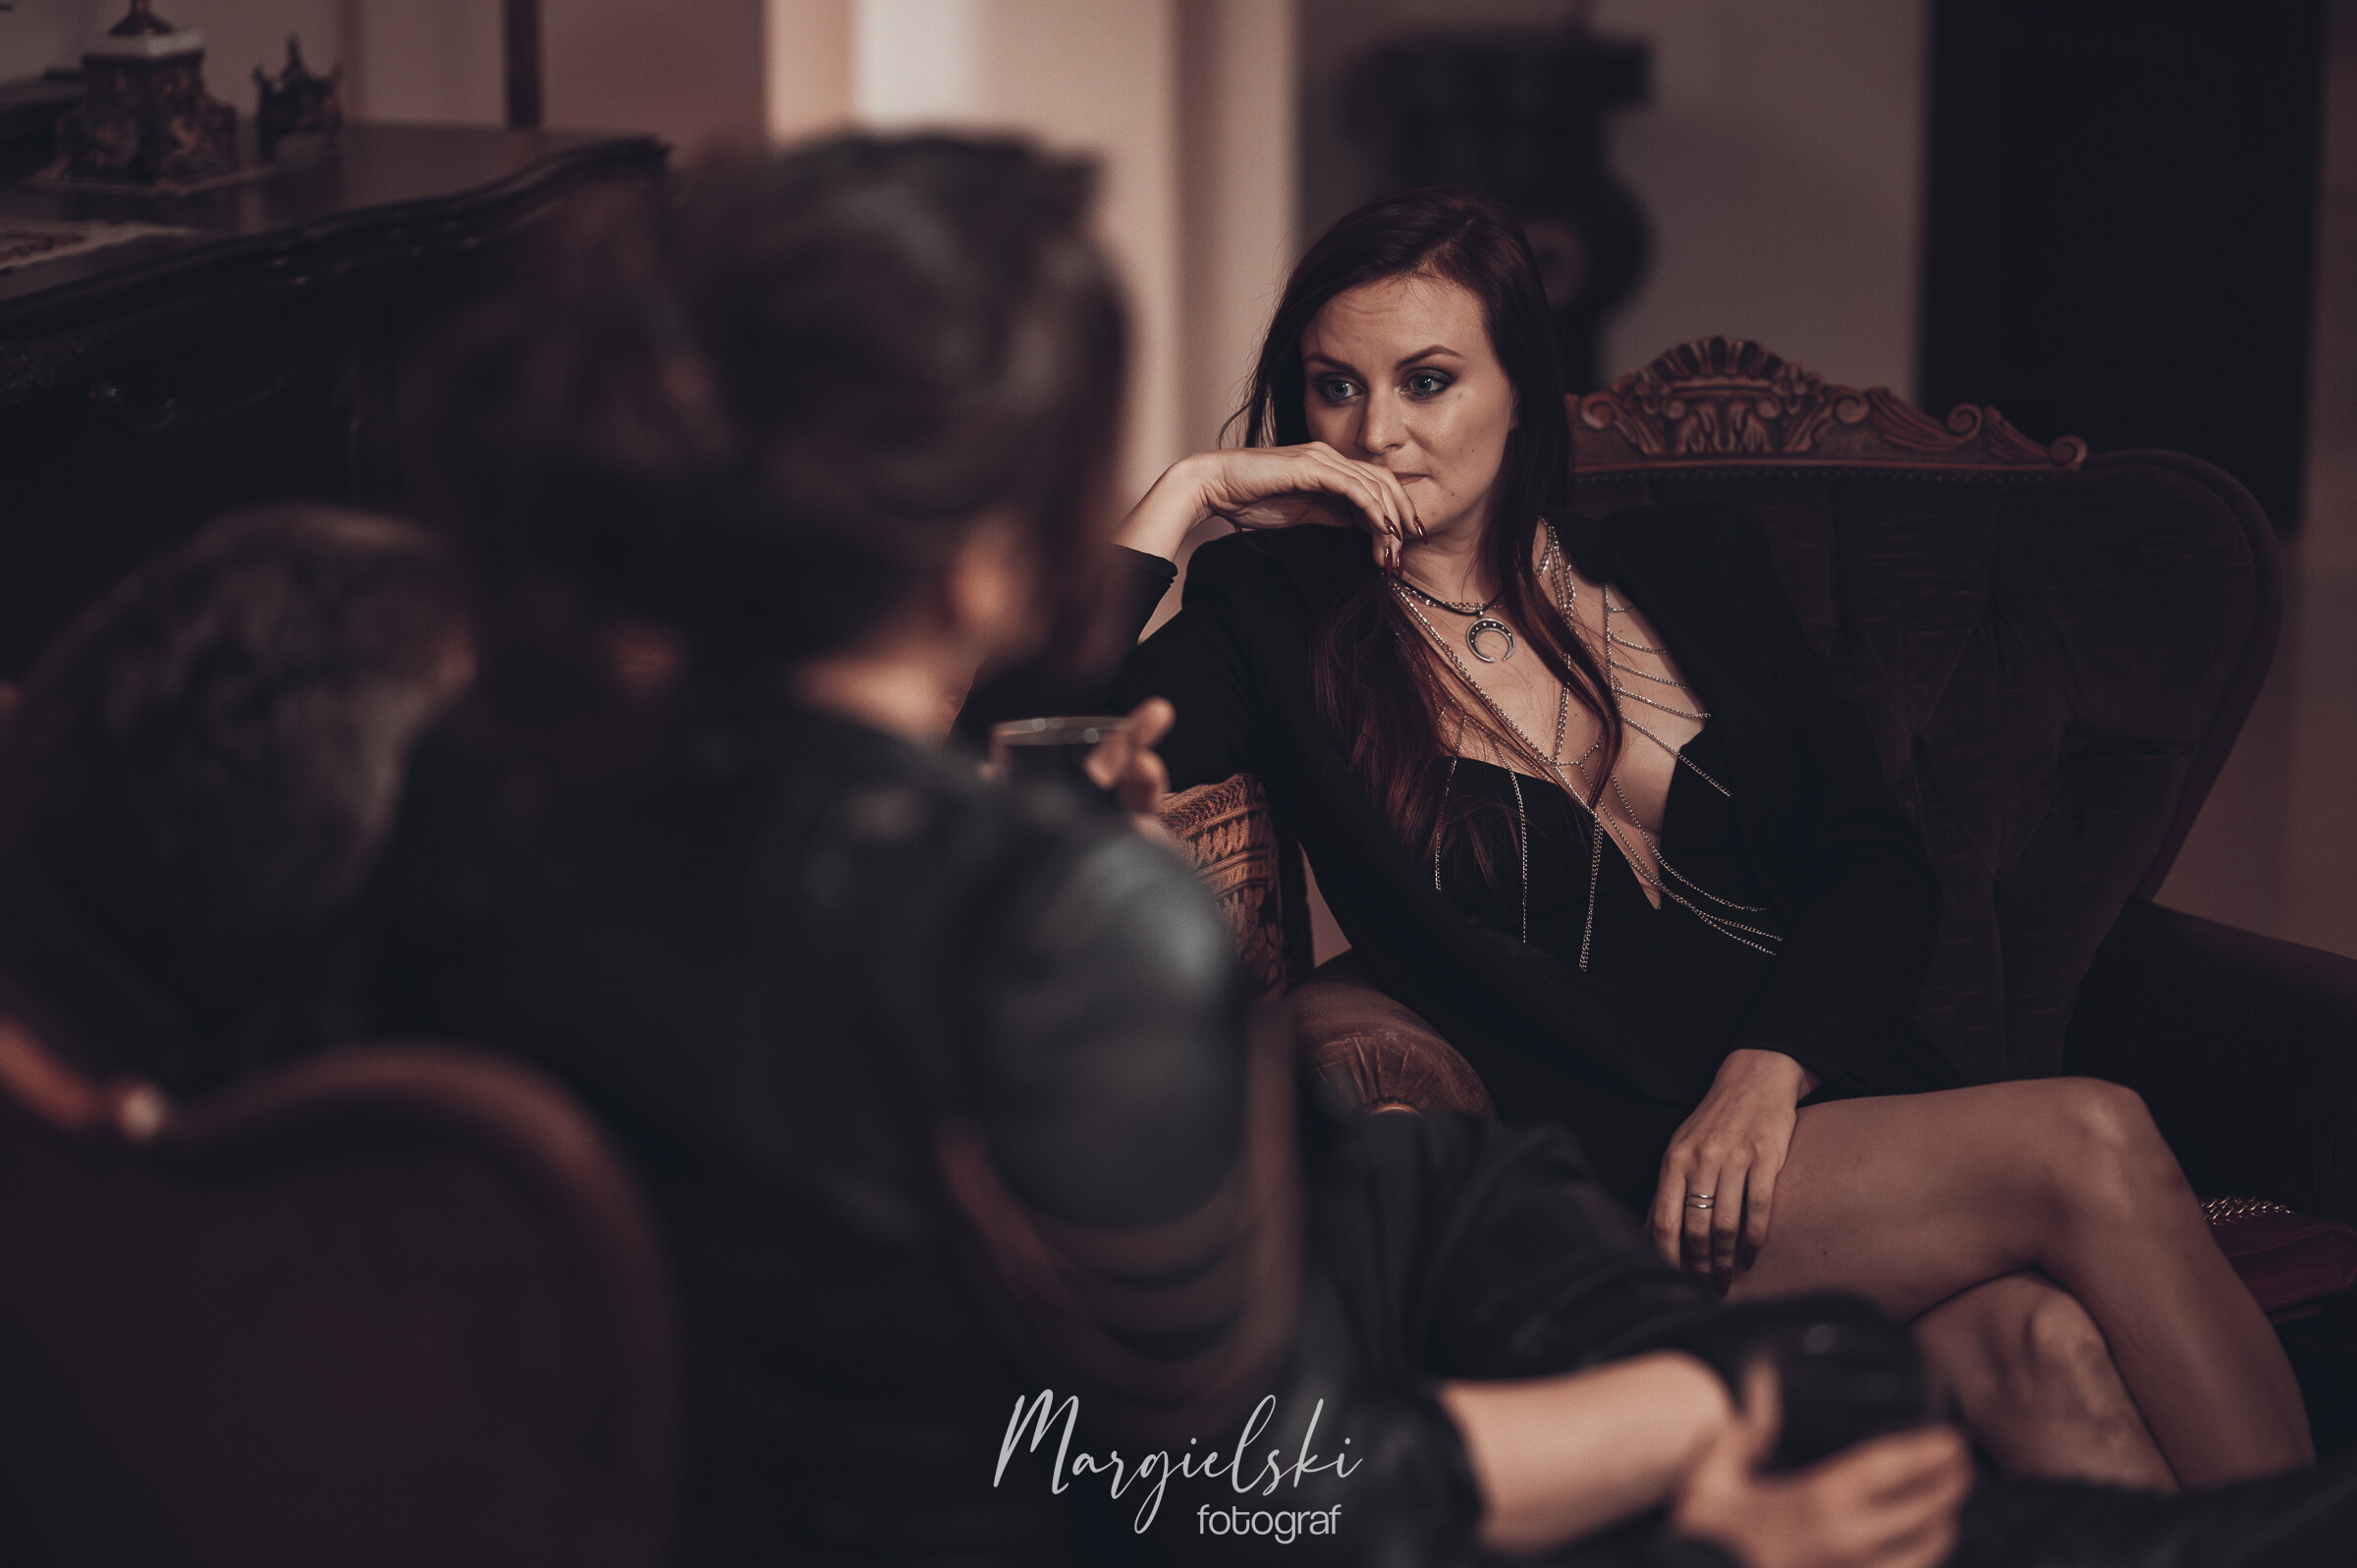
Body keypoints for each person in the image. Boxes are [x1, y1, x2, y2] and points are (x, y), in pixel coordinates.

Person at [1058, 187, 2311, 1493]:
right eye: (1335, 388)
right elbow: (1038, 755)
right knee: (2092, 1134)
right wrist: (1189, 493)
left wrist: (1772, 1068)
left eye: (1427, 381)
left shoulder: (1695, 564)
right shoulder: (1271, 617)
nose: (1376, 432)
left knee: (2049, 1356)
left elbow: (1873, 857)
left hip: (1822, 1103)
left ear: (1521, 389)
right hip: (1616, 1172)